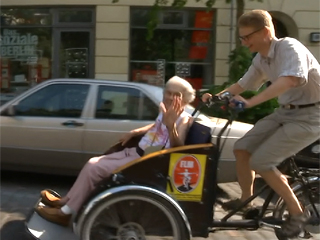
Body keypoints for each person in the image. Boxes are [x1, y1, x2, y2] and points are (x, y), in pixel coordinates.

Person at [202, 9, 320, 238]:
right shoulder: (261, 58)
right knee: (241, 148)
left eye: (247, 37)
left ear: (265, 31)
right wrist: (217, 97)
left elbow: (290, 79)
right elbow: (242, 84)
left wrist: (250, 103)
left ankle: (298, 214)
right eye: (242, 38)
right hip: (286, 113)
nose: (244, 42)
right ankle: (247, 201)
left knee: (262, 161)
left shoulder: (290, 48)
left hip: (312, 116)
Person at [35, 76, 195, 227]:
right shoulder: (165, 111)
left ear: (185, 100)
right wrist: (135, 132)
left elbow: (178, 147)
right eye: (168, 92)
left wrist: (171, 125)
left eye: (177, 95)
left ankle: (65, 213)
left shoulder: (184, 119)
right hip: (135, 153)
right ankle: (66, 201)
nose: (170, 97)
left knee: (94, 169)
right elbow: (155, 127)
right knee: (93, 162)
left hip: (147, 164)